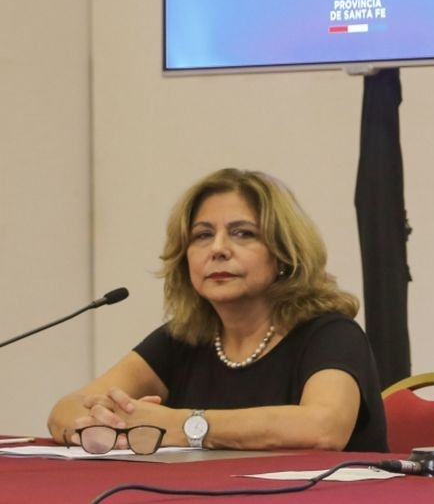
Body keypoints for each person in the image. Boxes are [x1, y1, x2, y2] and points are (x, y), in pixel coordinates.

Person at [48, 168, 387, 452]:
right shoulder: (182, 339)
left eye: (243, 234)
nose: (218, 249)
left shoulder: (331, 334)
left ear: (284, 254)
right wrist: (106, 422)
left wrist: (180, 424)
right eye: (202, 235)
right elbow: (65, 410)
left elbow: (323, 429)